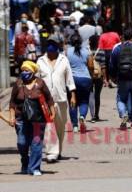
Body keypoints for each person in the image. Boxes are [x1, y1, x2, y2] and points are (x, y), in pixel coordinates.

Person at [9, 61, 55, 175]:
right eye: (23, 70)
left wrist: (52, 113)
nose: (24, 72)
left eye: (27, 70)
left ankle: (35, 168)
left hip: (38, 119)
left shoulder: (40, 83)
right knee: (22, 143)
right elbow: (12, 102)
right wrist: (11, 117)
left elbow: (49, 99)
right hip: (21, 118)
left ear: (33, 71)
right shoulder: (18, 83)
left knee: (36, 143)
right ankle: (25, 162)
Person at [37, 35, 76, 163]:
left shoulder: (64, 60)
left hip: (61, 98)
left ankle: (58, 150)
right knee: (49, 125)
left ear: (58, 46)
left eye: (53, 43)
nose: (51, 46)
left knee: (60, 126)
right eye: (49, 43)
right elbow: (36, 80)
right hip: (46, 101)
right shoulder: (40, 61)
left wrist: (73, 95)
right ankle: (51, 153)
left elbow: (69, 79)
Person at [67, 33, 93, 133]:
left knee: (72, 102)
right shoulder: (87, 51)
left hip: (72, 79)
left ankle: (74, 126)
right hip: (85, 79)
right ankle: (82, 116)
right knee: (84, 101)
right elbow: (91, 66)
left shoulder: (67, 52)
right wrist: (90, 76)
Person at [88, 34, 107, 122]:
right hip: (98, 76)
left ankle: (92, 115)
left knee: (90, 95)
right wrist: (105, 78)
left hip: (89, 76)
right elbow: (103, 66)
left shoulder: (86, 51)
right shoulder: (101, 51)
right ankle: (96, 115)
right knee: (97, 95)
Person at [98, 23, 121, 88]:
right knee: (114, 66)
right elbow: (119, 43)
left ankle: (106, 80)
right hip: (114, 51)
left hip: (105, 52)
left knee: (105, 66)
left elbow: (100, 47)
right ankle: (113, 79)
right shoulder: (115, 34)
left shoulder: (102, 36)